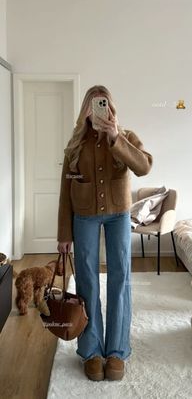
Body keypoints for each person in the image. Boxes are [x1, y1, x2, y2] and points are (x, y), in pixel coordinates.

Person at [57, 85, 152, 381]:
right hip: (84, 216)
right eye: (94, 105)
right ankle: (92, 351)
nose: (99, 110)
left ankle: (116, 351)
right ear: (86, 109)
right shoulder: (75, 144)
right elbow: (65, 190)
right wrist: (63, 234)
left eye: (104, 104)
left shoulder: (126, 137)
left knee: (120, 278)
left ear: (111, 108)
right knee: (86, 281)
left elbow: (144, 166)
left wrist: (115, 137)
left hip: (119, 216)